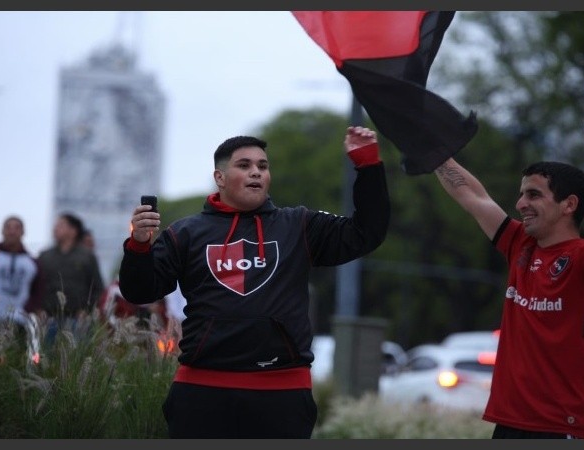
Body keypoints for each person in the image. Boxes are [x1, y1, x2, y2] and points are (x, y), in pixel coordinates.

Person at [118, 126, 390, 438]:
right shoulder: (186, 233)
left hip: (282, 393)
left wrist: (368, 166)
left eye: (263, 166)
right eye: (244, 165)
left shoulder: (298, 225)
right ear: (220, 178)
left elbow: (367, 233)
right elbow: (139, 291)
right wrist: (139, 247)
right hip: (201, 390)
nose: (256, 173)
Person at [432, 109, 584, 439]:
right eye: (521, 194)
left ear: (569, 205)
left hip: (560, 428)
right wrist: (428, 148)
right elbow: (473, 196)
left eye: (533, 195)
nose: (521, 203)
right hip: (507, 423)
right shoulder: (519, 243)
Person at [37, 212, 105, 340]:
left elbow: (97, 288)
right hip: (48, 320)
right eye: (55, 225)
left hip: (78, 320)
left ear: (73, 231)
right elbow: (36, 286)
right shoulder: (44, 256)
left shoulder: (87, 256)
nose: (55, 228)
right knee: (47, 357)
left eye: (61, 225)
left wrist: (87, 310)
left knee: (76, 357)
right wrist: (38, 309)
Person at [0, 215, 44, 328]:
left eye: (16, 228)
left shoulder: (33, 263)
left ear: (23, 232)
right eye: (8, 227)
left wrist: (28, 309)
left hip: (20, 321)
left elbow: (38, 290)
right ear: (2, 231)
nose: (12, 231)